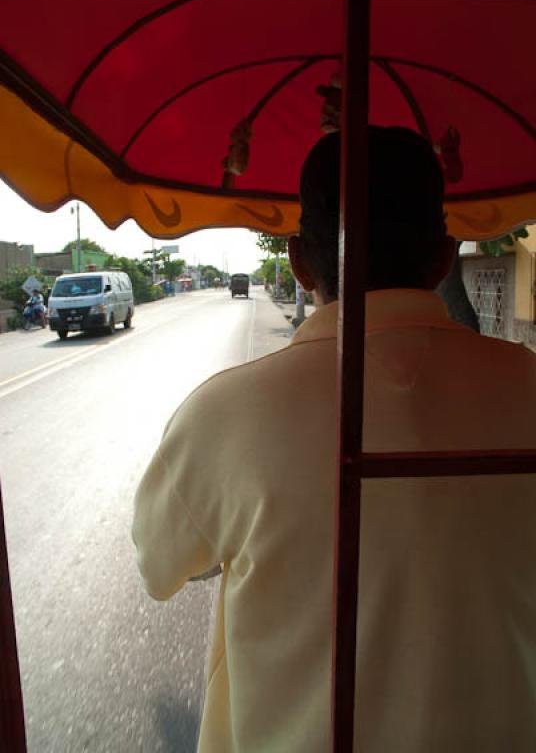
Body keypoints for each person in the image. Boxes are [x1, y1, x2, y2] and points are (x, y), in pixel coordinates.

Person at [132, 127, 536, 753]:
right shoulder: (526, 386)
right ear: (444, 256)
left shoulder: (226, 411)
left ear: (297, 260)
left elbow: (160, 565)